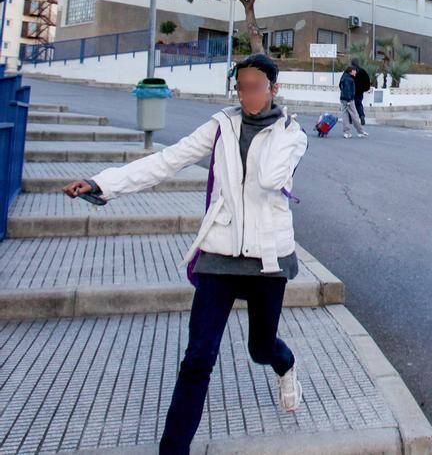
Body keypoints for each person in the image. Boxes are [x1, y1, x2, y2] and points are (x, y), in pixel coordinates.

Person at [62, 54, 308, 453]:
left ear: (274, 89)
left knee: (261, 349)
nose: (246, 95)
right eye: (241, 86)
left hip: (268, 258)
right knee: (198, 358)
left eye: (256, 87)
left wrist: (281, 128)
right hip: (219, 253)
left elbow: (270, 179)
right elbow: (166, 161)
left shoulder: (293, 135)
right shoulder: (220, 126)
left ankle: (286, 366)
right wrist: (102, 183)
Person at [339, 66, 368, 139]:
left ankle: (346, 132)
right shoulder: (349, 79)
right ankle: (360, 132)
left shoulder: (344, 77)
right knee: (354, 115)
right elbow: (347, 90)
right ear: (350, 71)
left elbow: (341, 87)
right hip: (349, 100)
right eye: (354, 71)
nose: (355, 72)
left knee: (345, 115)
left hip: (343, 99)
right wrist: (349, 100)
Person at [350, 58, 372, 124]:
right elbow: (367, 80)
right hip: (360, 91)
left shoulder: (352, 71)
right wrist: (365, 88)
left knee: (351, 105)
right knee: (359, 104)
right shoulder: (362, 71)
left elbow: (349, 79)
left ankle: (351, 119)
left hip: (352, 91)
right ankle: (361, 116)